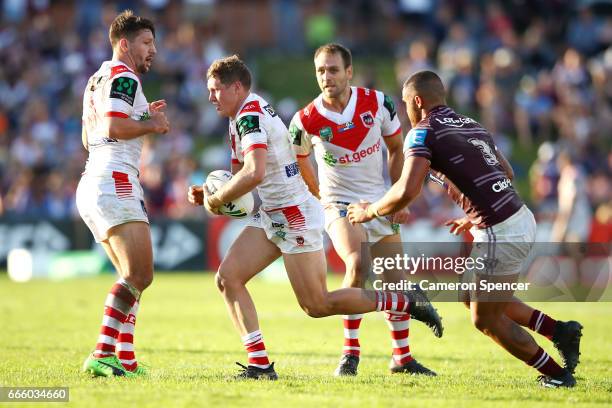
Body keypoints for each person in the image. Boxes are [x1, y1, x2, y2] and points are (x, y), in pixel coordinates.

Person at [187, 55, 440, 380]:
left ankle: (401, 300)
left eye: (215, 90)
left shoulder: (250, 115)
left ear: (236, 87)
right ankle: (260, 365)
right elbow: (244, 190)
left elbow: (254, 171)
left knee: (317, 305)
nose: (210, 97)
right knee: (228, 278)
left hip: (294, 215)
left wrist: (217, 199)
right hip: (272, 213)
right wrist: (210, 196)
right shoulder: (240, 118)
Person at [348, 71, 582, 388]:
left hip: (502, 230)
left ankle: (557, 375)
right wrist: (473, 214)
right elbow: (507, 173)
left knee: (485, 319)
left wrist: (369, 210)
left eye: (406, 104)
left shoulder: (421, 133)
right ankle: (560, 332)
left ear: (417, 101)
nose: (406, 112)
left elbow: (407, 190)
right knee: (470, 294)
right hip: (516, 216)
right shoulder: (472, 124)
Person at [289, 43, 440, 377]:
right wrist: (321, 196)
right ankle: (350, 354)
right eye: (320, 71)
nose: (326, 77)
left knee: (396, 282)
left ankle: (401, 358)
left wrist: (398, 198)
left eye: (333, 70)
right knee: (358, 263)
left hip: (378, 202)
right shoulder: (304, 120)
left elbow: (397, 148)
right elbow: (300, 159)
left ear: (349, 72)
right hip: (339, 203)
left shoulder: (378, 103)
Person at [77, 10, 170, 377]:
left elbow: (90, 137)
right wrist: (151, 123)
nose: (154, 50)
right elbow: (115, 126)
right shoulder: (124, 75)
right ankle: (102, 353)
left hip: (92, 180)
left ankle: (125, 358)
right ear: (124, 44)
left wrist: (142, 115)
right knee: (139, 274)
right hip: (114, 180)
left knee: (130, 278)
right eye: (147, 43)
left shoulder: (96, 79)